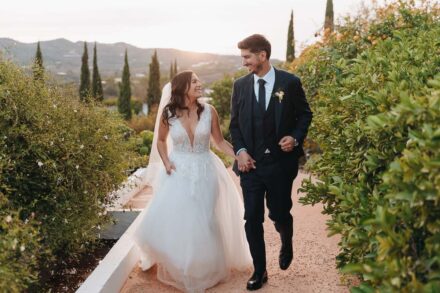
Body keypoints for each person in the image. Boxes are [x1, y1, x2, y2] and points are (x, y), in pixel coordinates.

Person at [132, 70, 251, 293]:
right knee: (184, 220)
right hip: (177, 170)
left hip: (206, 170)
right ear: (182, 87)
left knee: (205, 218)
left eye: (198, 80)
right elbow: (159, 141)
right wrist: (166, 162)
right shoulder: (169, 113)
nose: (199, 83)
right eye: (194, 81)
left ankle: (205, 267)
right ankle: (183, 265)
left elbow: (219, 141)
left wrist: (239, 155)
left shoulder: (209, 111)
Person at [229, 34, 313, 290]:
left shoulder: (289, 82)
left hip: (279, 164)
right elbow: (234, 124)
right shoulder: (240, 86)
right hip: (249, 166)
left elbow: (305, 115)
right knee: (252, 218)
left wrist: (295, 138)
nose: (244, 63)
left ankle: (286, 241)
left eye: (247, 57)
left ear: (262, 55)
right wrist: (240, 150)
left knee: (278, 213)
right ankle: (260, 271)